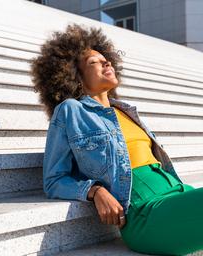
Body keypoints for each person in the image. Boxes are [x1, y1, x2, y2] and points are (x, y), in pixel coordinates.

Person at [30, 23, 203, 255]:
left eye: (106, 59)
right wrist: (95, 191)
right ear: (75, 76)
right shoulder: (71, 111)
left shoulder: (125, 111)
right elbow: (54, 180)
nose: (106, 63)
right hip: (145, 212)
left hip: (179, 193)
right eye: (94, 62)